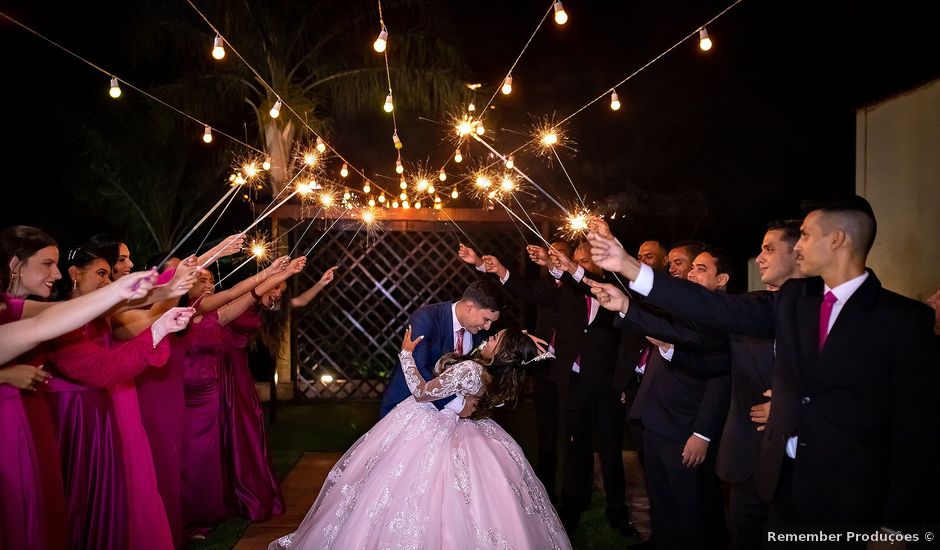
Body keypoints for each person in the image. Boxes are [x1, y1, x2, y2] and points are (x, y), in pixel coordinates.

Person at [586, 195, 940, 529]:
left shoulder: (904, 321)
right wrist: (629, 267)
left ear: (837, 240)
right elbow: (715, 308)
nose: (797, 246)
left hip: (850, 499)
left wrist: (898, 528)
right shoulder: (791, 302)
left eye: (805, 236)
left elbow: (915, 436)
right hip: (779, 487)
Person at [270, 326, 571, 550]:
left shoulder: (471, 370)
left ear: (504, 353)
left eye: (494, 339)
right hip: (473, 435)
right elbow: (468, 405)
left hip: (432, 425)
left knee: (401, 491)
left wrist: (406, 354)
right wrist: (529, 349)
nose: (486, 338)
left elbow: (422, 392)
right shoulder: (505, 382)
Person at [379, 277, 508, 417]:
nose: (487, 327)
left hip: (455, 419)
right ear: (469, 307)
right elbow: (419, 368)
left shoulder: (481, 333)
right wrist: (459, 406)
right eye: (486, 319)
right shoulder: (425, 318)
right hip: (410, 408)